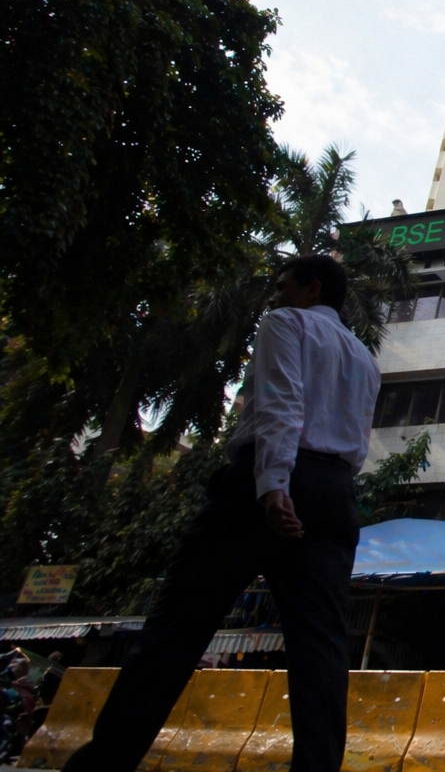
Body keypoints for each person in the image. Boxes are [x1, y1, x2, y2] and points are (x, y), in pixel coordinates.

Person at [65, 255, 379, 772]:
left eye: (282, 286)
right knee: (321, 648)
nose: (274, 296)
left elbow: (281, 402)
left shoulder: (286, 322)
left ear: (311, 289)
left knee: (177, 628)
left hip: (267, 482)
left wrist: (273, 484)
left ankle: (106, 763)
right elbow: (356, 436)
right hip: (335, 491)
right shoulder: (364, 356)